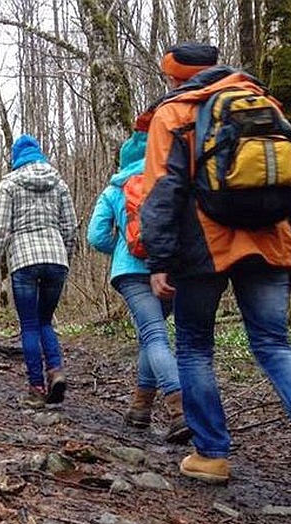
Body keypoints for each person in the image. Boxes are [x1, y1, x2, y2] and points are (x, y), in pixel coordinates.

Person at [141, 42, 291, 507]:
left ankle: (211, 455)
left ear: (177, 78)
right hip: (270, 240)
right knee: (274, 344)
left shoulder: (174, 113)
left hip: (204, 247)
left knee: (195, 346)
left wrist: (158, 260)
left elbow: (163, 190)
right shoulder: (266, 104)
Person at [87, 131, 190, 443]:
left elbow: (96, 236)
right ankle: (140, 408)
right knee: (153, 334)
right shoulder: (171, 181)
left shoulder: (115, 190)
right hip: (171, 269)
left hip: (131, 272)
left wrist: (122, 246)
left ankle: (179, 410)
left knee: (153, 335)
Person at [0, 134, 77, 408]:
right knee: (45, 320)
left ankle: (36, 387)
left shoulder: (10, 184)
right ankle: (56, 371)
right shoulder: (58, 182)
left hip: (23, 261)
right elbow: (70, 226)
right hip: (56, 259)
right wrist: (65, 258)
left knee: (30, 325)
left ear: (16, 157)